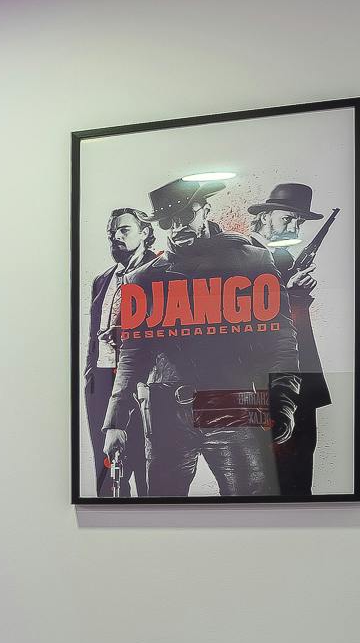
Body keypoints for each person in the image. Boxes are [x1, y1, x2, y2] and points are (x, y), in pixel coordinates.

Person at [101, 178, 294, 498]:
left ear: (204, 209)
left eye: (185, 215)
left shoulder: (251, 261)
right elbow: (133, 353)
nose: (178, 226)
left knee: (251, 505)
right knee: (163, 509)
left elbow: (281, 340)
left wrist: (282, 400)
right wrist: (116, 422)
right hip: (167, 409)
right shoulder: (143, 277)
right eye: (168, 221)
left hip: (233, 402)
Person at [247, 181, 334, 497]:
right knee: (266, 479)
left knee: (300, 473)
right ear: (266, 216)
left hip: (301, 377)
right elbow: (237, 316)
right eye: (288, 218)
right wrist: (288, 291)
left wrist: (298, 294)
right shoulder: (240, 256)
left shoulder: (283, 257)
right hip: (262, 380)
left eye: (299, 221)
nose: (294, 227)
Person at [83, 206, 156, 497]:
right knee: (107, 469)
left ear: (145, 233)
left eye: (124, 230)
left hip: (143, 380)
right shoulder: (102, 280)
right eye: (112, 232)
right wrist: (90, 375)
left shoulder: (161, 271)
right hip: (101, 378)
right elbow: (93, 333)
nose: (116, 236)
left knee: (148, 467)